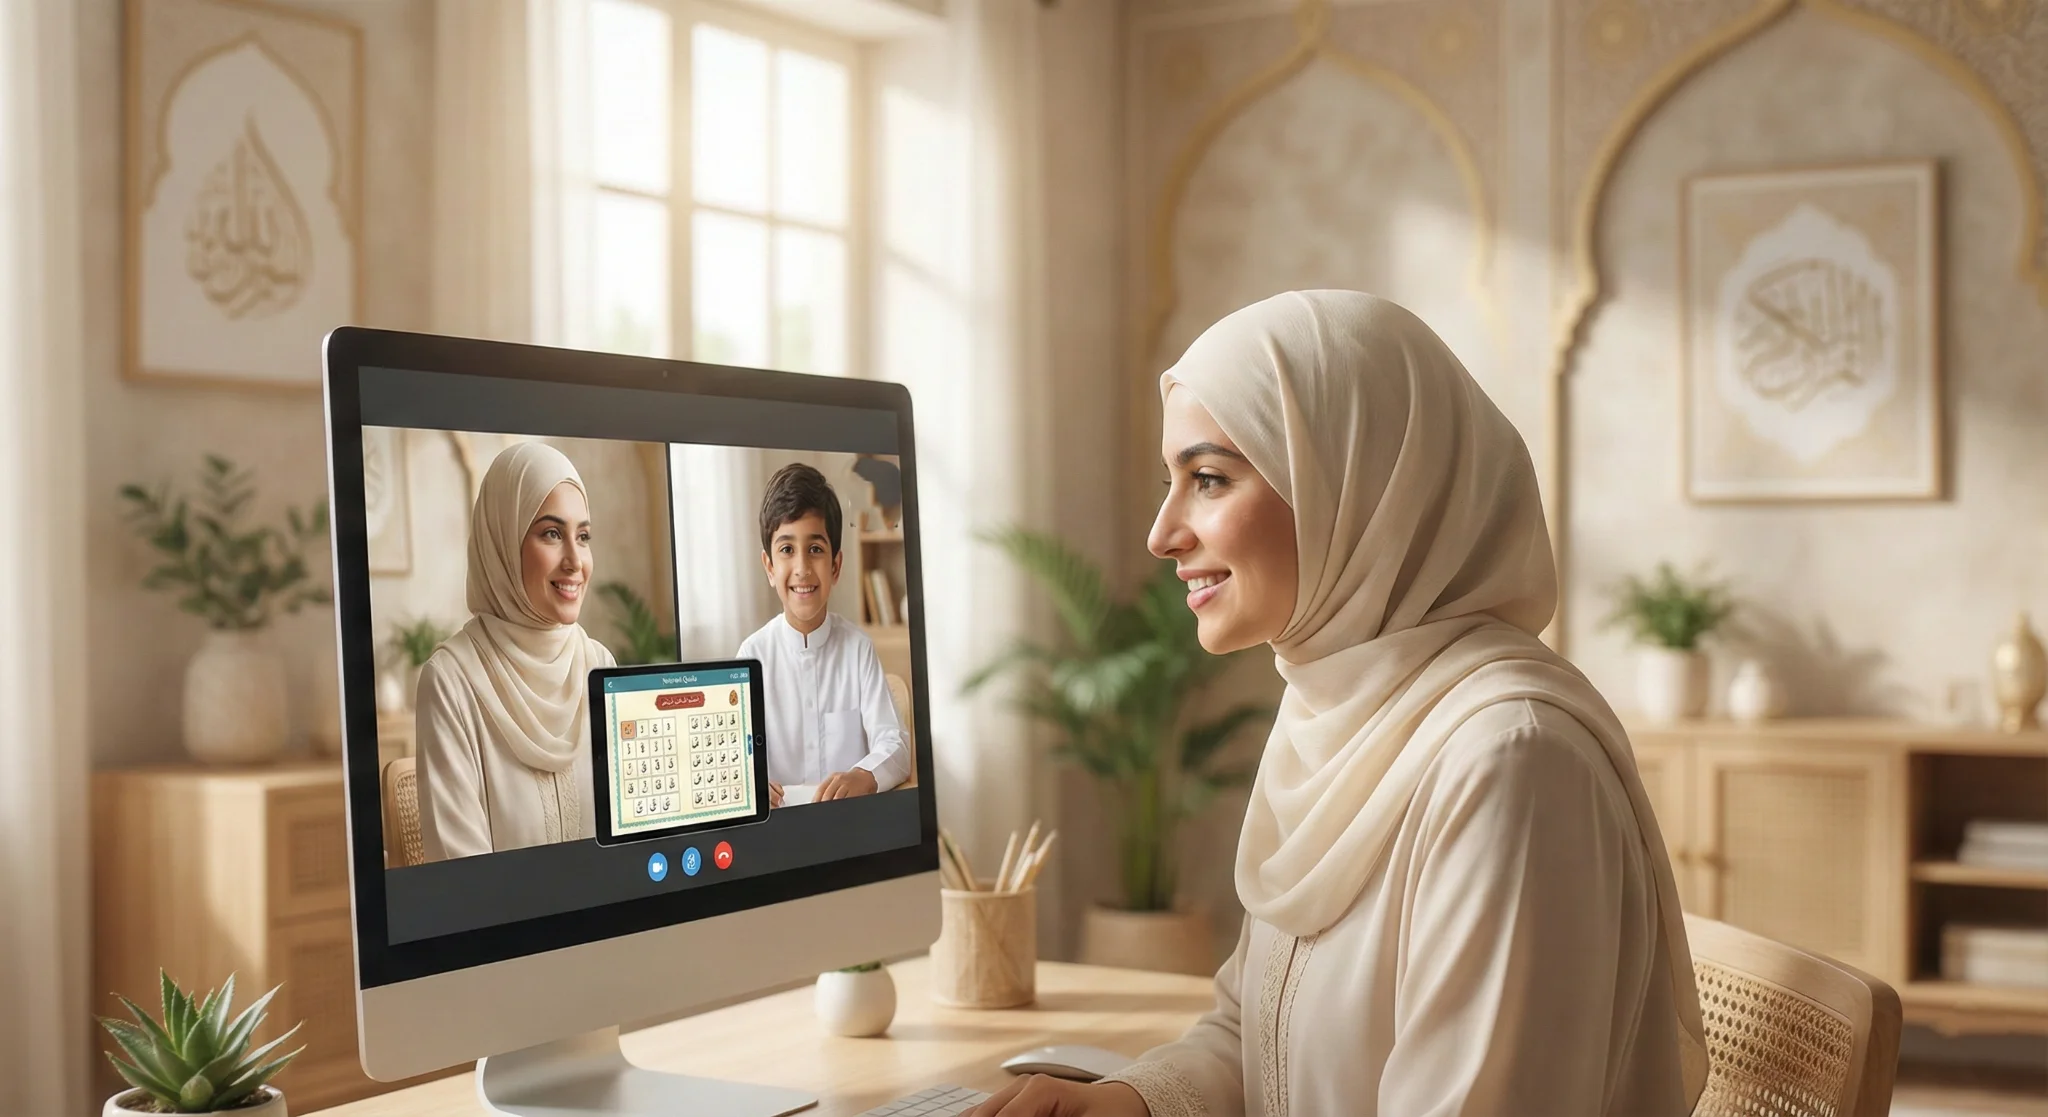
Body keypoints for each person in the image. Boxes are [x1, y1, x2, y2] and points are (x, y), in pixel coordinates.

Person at [970, 292, 1707, 1116]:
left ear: (1352, 486)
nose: (1162, 532)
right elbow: (1258, 1028)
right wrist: (1126, 1103)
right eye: (1171, 481)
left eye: (1208, 478)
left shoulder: (1511, 764)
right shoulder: (1344, 711)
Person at [416, 441, 617, 861]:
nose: (575, 560)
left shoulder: (599, 664)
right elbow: (463, 879)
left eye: (583, 536)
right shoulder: (452, 682)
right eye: (551, 534)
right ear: (503, 542)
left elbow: (635, 840)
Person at [736, 463, 909, 805]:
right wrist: (748, 782)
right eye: (787, 550)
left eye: (815, 549)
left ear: (835, 566)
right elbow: (735, 759)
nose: (802, 568)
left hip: (848, 829)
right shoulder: (751, 656)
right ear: (769, 567)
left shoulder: (857, 648)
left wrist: (865, 775)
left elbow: (895, 744)